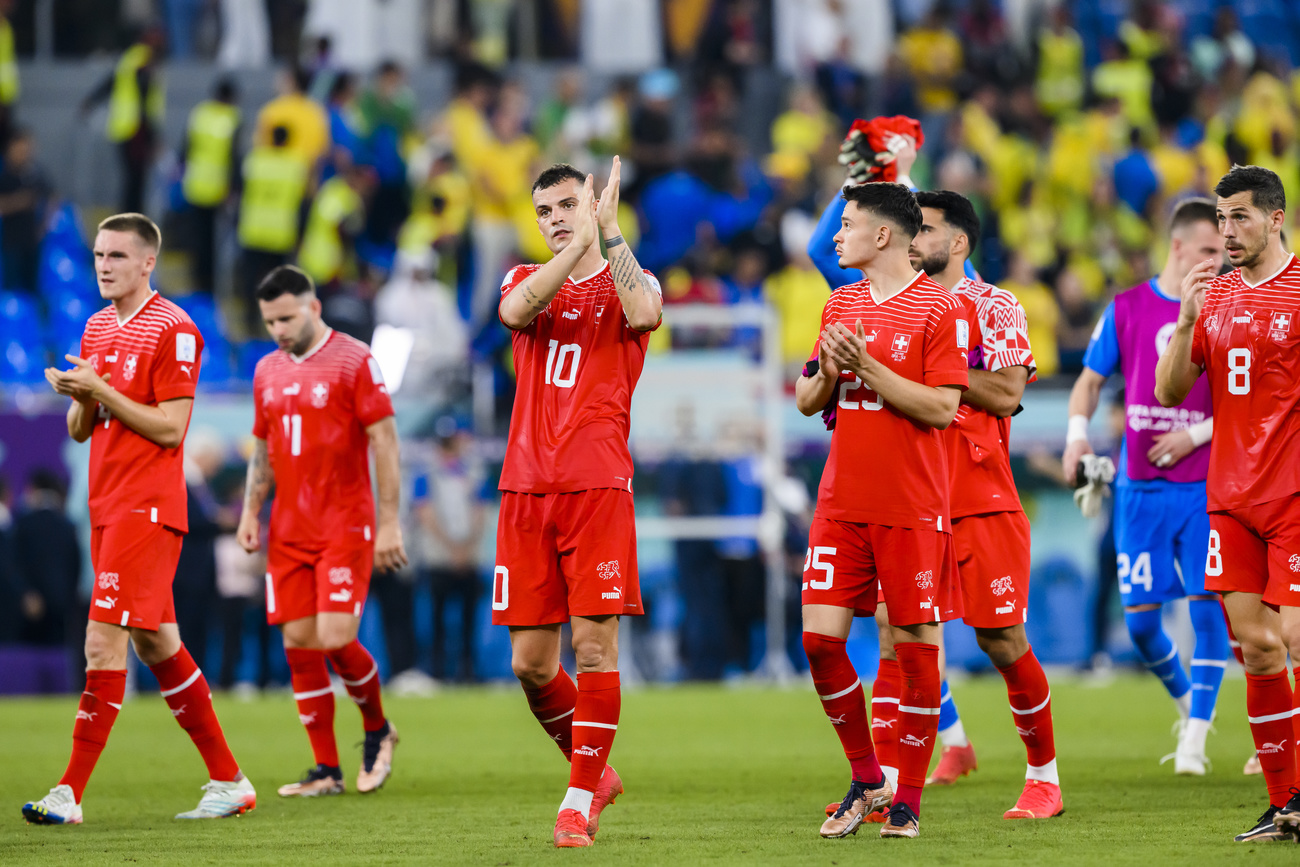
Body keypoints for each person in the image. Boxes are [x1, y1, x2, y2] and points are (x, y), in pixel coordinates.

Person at [25, 213, 255, 824]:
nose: (104, 265)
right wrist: (79, 395)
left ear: (147, 262)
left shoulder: (175, 328)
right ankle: (229, 779)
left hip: (146, 506)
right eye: (99, 255)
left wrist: (101, 390)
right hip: (104, 502)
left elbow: (172, 428)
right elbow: (83, 431)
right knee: (158, 642)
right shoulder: (97, 325)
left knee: (103, 641)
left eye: (118, 256)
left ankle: (68, 792)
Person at [495, 158, 662, 848]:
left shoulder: (632, 277)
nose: (556, 217)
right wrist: (569, 250)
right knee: (531, 664)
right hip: (525, 487)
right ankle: (595, 770)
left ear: (593, 200)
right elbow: (514, 311)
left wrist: (610, 234)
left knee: (593, 646)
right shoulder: (523, 281)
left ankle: (576, 799)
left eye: (568, 203)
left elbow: (645, 312)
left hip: (596, 485)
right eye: (544, 210)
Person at [797, 182, 969, 840]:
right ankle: (869, 776)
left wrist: (867, 366)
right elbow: (808, 398)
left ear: (884, 236)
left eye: (846, 225)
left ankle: (910, 800)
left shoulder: (937, 309)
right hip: (841, 502)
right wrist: (832, 374)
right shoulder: (839, 302)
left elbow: (943, 408)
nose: (835, 237)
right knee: (818, 640)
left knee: (918, 648)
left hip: (910, 506)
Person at [887, 189, 1061, 817]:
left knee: (1002, 639)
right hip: (909, 499)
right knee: (897, 632)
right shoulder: (891, 306)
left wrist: (932, 383)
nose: (912, 241)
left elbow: (1010, 389)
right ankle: (890, 781)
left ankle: (1043, 777)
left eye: (925, 230)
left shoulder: (996, 305)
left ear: (957, 243)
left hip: (979, 494)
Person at [1155, 165, 1300, 844]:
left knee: (1296, 637)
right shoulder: (1213, 298)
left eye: (1240, 217)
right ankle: (1285, 803)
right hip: (1231, 499)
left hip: (1294, 492)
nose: (1227, 231)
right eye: (1221, 218)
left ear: (1275, 218)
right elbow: (1170, 387)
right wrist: (1185, 319)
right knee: (1259, 648)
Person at [1063, 198, 1229, 774]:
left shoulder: (1226, 310)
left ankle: (1195, 740)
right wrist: (1077, 437)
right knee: (1140, 625)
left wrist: (1196, 434)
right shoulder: (1128, 307)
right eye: (1210, 249)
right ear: (1178, 247)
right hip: (1139, 490)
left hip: (1204, 488)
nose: (1219, 261)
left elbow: (1251, 401)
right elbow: (1088, 381)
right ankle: (1191, 707)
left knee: (1210, 617)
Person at [236, 264, 406, 798]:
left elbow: (385, 441)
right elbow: (262, 448)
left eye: (286, 317)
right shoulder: (267, 370)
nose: (279, 330)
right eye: (269, 321)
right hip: (288, 527)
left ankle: (378, 730)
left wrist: (391, 523)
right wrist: (249, 512)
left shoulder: (354, 359)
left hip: (343, 523)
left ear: (313, 307)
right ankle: (327, 769)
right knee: (298, 642)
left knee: (335, 637)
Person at [81, 29, 166, 215]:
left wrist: (91, 100)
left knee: (132, 179)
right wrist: (153, 136)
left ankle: (129, 216)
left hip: (123, 128)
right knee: (136, 179)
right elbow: (145, 100)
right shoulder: (144, 62)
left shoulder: (128, 59)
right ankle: (133, 217)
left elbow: (111, 81)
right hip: (136, 130)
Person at [237, 126, 310, 335]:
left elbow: (240, 191)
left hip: (253, 230)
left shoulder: (255, 161)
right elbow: (302, 203)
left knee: (251, 279)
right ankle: (275, 323)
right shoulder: (296, 166)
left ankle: (250, 320)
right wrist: (300, 234)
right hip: (280, 234)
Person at [181, 79, 242, 294]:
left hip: (195, 183)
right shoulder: (232, 119)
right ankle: (212, 286)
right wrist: (234, 188)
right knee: (215, 241)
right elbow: (234, 157)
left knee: (198, 238)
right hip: (218, 188)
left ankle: (198, 282)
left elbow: (185, 148)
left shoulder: (199, 114)